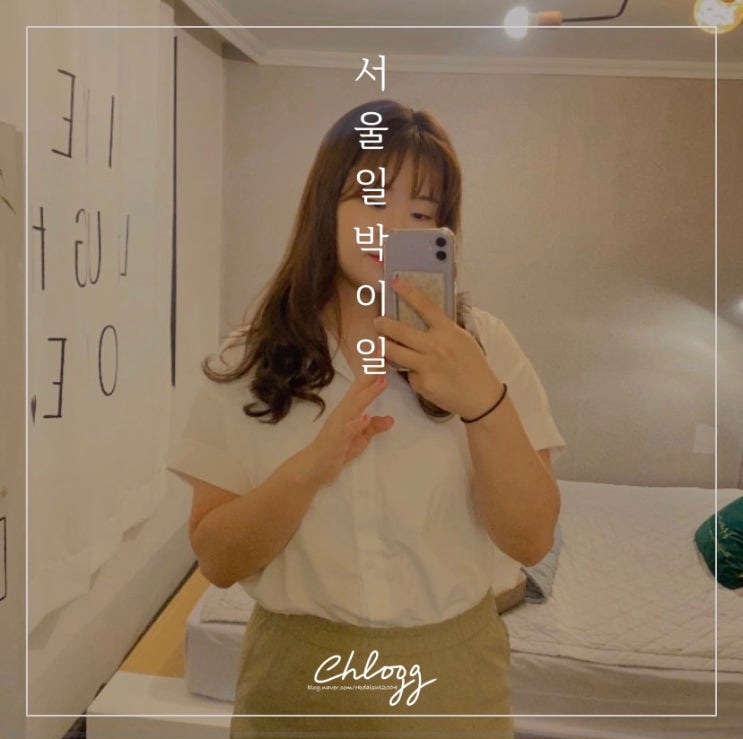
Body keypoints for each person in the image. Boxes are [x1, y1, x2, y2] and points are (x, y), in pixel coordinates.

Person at [166, 99, 565, 738]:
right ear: (325, 207)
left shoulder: (485, 349)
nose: (393, 227)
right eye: (373, 200)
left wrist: (483, 402)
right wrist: (309, 469)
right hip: (296, 681)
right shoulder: (248, 362)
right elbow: (217, 559)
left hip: (452, 681)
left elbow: (530, 540)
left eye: (421, 213)